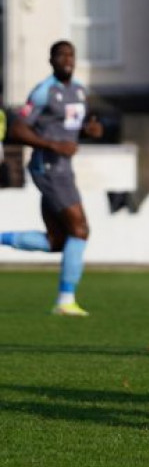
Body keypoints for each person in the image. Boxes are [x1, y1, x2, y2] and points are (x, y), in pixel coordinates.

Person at [0, 41, 102, 316]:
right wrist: (54, 146)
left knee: (57, 240)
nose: (67, 59)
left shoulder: (79, 90)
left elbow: (70, 128)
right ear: (51, 60)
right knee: (80, 230)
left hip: (63, 168)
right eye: (61, 55)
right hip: (48, 168)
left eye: (71, 55)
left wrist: (88, 131)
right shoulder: (44, 91)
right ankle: (65, 300)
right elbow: (18, 130)